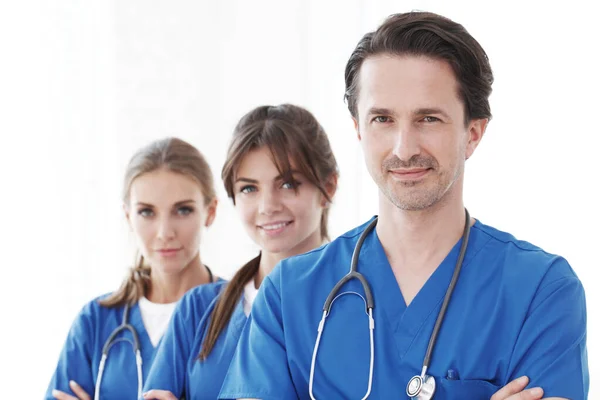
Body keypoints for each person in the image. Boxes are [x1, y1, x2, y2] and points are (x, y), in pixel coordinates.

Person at [218, 12, 589, 400]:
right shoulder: (289, 294)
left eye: (428, 118)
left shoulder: (540, 290)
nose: (404, 148)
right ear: (359, 129)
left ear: (473, 133)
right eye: (383, 119)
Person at [140, 104, 338, 400]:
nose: (267, 206)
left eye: (287, 184)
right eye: (249, 188)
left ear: (329, 187)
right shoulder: (197, 310)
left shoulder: (356, 305)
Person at [46, 137, 222, 400]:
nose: (165, 232)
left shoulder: (239, 313)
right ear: (128, 216)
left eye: (183, 210)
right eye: (147, 212)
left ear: (210, 211)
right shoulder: (95, 322)